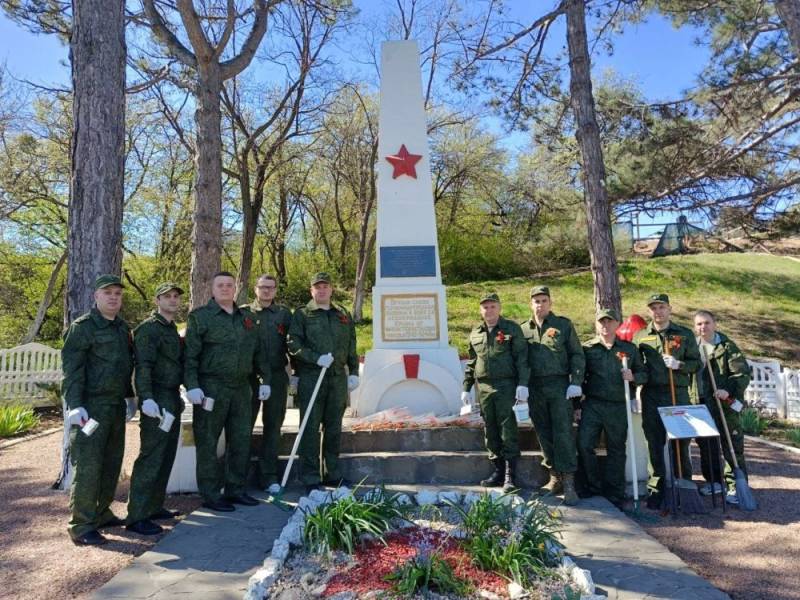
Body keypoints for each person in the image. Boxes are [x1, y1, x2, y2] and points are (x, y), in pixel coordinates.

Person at [184, 272, 270, 512]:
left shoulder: (248, 318)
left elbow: (258, 352)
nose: (224, 289)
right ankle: (211, 494)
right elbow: (190, 356)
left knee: (241, 440)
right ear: (212, 289)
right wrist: (191, 385)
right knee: (208, 442)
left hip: (242, 388)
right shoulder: (201, 318)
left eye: (229, 285)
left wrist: (265, 380)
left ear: (236, 288)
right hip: (211, 388)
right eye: (220, 285)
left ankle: (236, 489)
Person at [61, 274, 135, 545]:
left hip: (115, 407)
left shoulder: (121, 327)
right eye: (108, 293)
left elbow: (125, 367)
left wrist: (130, 397)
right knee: (89, 466)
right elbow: (72, 370)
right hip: (90, 408)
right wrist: (75, 404)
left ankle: (102, 512)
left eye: (117, 293)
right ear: (96, 296)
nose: (114, 297)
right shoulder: (83, 328)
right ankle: (80, 524)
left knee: (111, 463)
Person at [287, 272, 359, 493]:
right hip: (312, 377)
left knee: (334, 427)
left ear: (331, 290)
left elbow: (351, 345)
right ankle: (310, 477)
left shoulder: (342, 314)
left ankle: (332, 473)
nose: (321, 290)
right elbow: (293, 343)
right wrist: (314, 358)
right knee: (310, 427)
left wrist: (354, 371)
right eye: (317, 287)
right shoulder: (303, 314)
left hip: (337, 378)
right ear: (311, 290)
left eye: (325, 287)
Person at [125, 283, 186, 535]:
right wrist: (146, 398)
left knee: (166, 454)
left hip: (171, 397)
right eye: (167, 297)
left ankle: (153, 506)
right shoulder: (149, 329)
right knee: (151, 456)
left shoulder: (171, 329)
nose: (172, 300)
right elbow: (144, 367)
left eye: (176, 297)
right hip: (157, 399)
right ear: (157, 300)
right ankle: (137, 516)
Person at [633, 293, 700, 509]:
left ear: (669, 309)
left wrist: (679, 365)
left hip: (677, 394)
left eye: (661, 307)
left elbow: (696, 364)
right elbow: (637, 366)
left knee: (680, 441)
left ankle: (683, 484)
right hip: (651, 394)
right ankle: (657, 488)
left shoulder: (684, 334)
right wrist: (635, 390)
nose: (658, 312)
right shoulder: (641, 336)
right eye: (653, 308)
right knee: (654, 441)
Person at [520, 285, 585, 505]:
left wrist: (575, 381)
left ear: (550, 303)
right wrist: (521, 385)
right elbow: (520, 360)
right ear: (531, 304)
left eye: (544, 301)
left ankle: (569, 483)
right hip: (535, 388)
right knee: (543, 433)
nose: (540, 305)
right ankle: (554, 477)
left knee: (563, 433)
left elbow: (577, 354)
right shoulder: (524, 329)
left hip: (559, 387)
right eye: (536, 301)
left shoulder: (563, 325)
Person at [578, 308, 647, 509]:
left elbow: (644, 373)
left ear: (617, 324)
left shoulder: (629, 349)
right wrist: (576, 405)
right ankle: (592, 486)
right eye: (601, 322)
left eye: (609, 322)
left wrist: (633, 377)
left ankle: (614, 491)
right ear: (596, 324)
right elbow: (579, 377)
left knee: (616, 449)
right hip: (593, 404)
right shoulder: (587, 348)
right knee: (584, 444)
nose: (605, 326)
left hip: (618, 405)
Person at [462, 293, 530, 492]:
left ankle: (510, 475)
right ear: (480, 310)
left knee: (507, 429)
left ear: (499, 308)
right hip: (483, 388)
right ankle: (498, 470)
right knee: (489, 429)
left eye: (492, 306)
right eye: (485, 307)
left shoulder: (511, 329)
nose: (488, 310)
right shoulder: (476, 332)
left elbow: (521, 358)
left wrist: (523, 383)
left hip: (506, 386)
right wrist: (466, 387)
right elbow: (472, 362)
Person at [692, 309, 751, 505]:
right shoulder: (693, 347)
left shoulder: (726, 347)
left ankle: (735, 486)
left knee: (731, 445)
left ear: (714, 324)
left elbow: (741, 374)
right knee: (706, 445)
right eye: (699, 324)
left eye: (707, 323)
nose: (703, 327)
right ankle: (714, 481)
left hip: (723, 403)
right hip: (700, 403)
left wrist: (728, 390)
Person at [242, 274, 293, 489]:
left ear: (275, 290)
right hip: (249, 377)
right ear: (255, 289)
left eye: (270, 288)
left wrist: (296, 372)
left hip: (276, 376)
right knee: (243, 426)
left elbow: (292, 342)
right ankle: (238, 478)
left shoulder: (283, 314)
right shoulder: (243, 312)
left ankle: (269, 477)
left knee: (273, 426)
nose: (266, 291)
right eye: (262, 287)